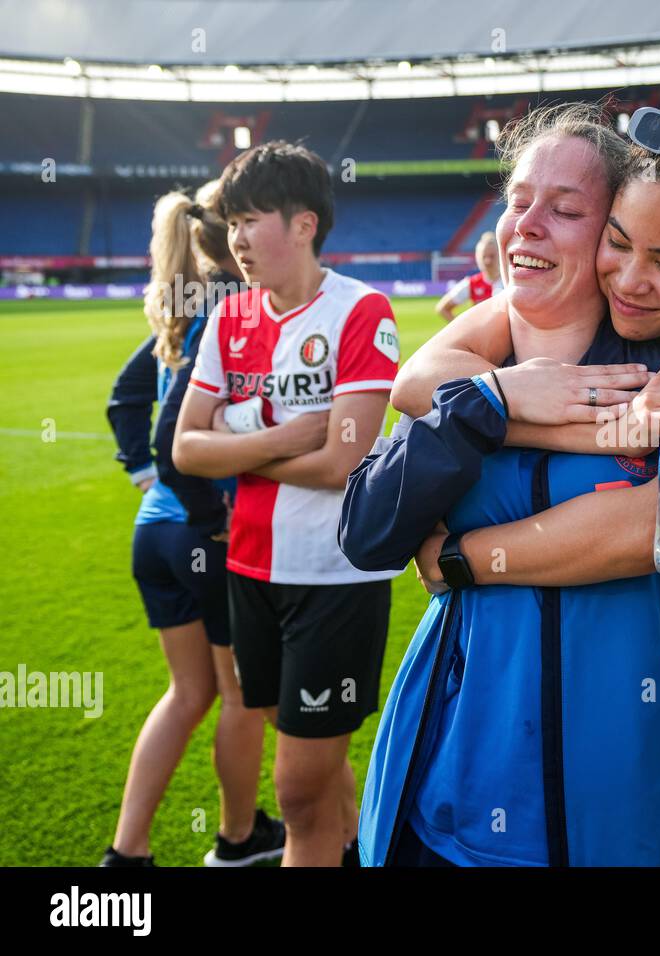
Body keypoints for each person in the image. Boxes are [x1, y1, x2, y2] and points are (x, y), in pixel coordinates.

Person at [343, 51, 660, 868]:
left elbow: (658, 528)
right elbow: (367, 529)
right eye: (517, 203)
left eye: (567, 210)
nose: (527, 226)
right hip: (448, 798)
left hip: (625, 812)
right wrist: (499, 404)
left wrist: (464, 556)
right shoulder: (481, 367)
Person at [172, 142, 402, 866]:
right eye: (231, 222)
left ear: (304, 224)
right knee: (302, 748)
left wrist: (239, 445)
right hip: (249, 568)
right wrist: (282, 436)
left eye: (251, 219)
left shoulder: (361, 311)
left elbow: (345, 461)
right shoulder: (227, 318)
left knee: (299, 792)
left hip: (335, 578)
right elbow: (184, 449)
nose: (236, 238)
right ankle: (370, 847)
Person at [103, 181, 284, 867]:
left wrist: (147, 481)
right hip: (203, 532)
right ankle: (239, 840)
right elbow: (172, 434)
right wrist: (213, 517)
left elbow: (127, 398)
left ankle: (128, 854)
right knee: (240, 695)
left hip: (155, 530)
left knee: (189, 693)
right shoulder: (236, 307)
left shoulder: (186, 305)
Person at [434, 231, 502, 322]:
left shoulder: (511, 281)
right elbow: (442, 308)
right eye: (484, 256)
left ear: (500, 255)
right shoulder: (471, 283)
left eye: (492, 256)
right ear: (477, 258)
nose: (487, 261)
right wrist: (464, 330)